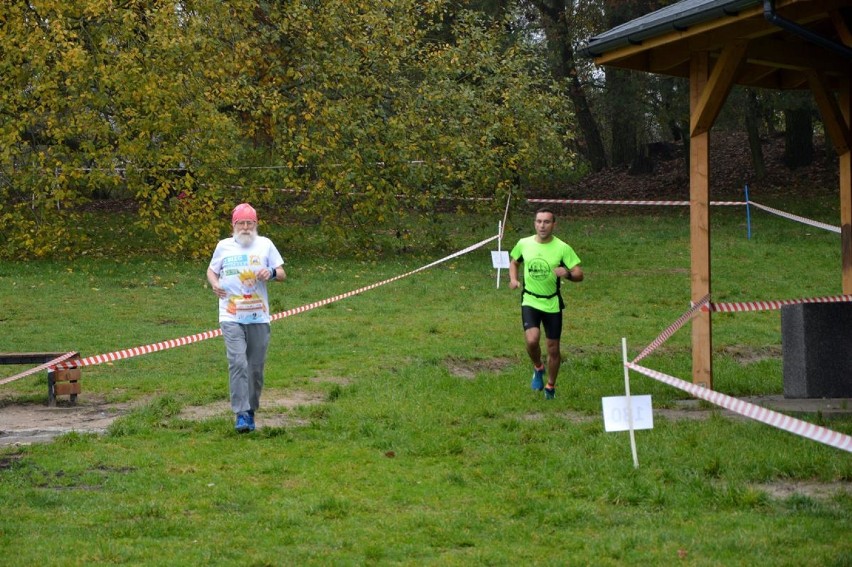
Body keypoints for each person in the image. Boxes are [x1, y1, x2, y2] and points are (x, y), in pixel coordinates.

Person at [207, 203, 285, 432]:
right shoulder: (223, 246)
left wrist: (270, 273)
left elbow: (282, 273)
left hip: (258, 317)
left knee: (255, 368)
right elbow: (211, 270)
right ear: (233, 225)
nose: (245, 227)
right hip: (230, 315)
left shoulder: (265, 245)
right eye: (241, 223)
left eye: (250, 223)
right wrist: (215, 284)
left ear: (256, 224)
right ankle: (240, 414)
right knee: (238, 363)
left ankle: (250, 411)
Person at [509, 208, 583, 399]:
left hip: (552, 304)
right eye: (539, 221)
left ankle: (550, 386)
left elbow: (579, 274)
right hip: (530, 299)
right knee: (532, 340)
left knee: (553, 348)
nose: (542, 225)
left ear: (554, 225)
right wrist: (514, 279)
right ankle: (538, 367)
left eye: (547, 222)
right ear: (534, 223)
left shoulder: (562, 248)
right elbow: (514, 262)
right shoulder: (523, 244)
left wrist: (566, 273)